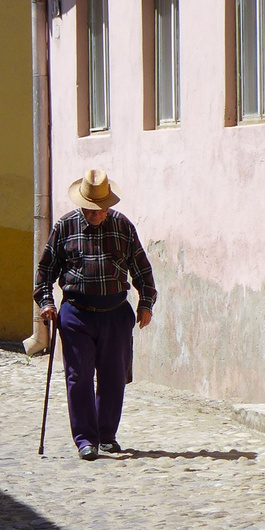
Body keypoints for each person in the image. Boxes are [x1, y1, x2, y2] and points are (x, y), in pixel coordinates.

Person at [35, 169, 156, 460]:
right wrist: (47, 303)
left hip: (115, 312)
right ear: (82, 205)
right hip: (77, 312)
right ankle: (85, 439)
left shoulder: (122, 226)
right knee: (79, 377)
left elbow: (141, 268)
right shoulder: (65, 226)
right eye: (91, 210)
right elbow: (45, 273)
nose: (97, 215)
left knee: (114, 376)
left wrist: (146, 303)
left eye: (101, 210)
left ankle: (106, 435)